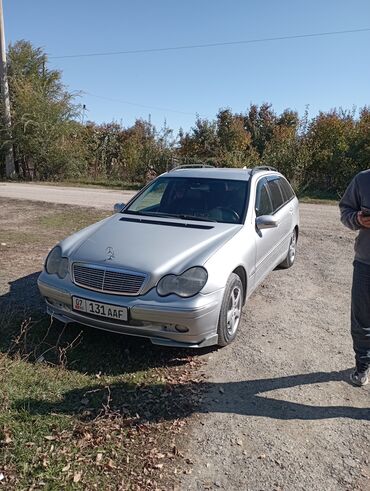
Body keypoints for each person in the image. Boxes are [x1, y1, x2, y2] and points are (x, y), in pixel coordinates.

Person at [339, 169, 370, 386]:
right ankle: (363, 366)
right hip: (366, 262)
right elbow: (345, 211)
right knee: (361, 319)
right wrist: (357, 219)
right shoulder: (362, 179)